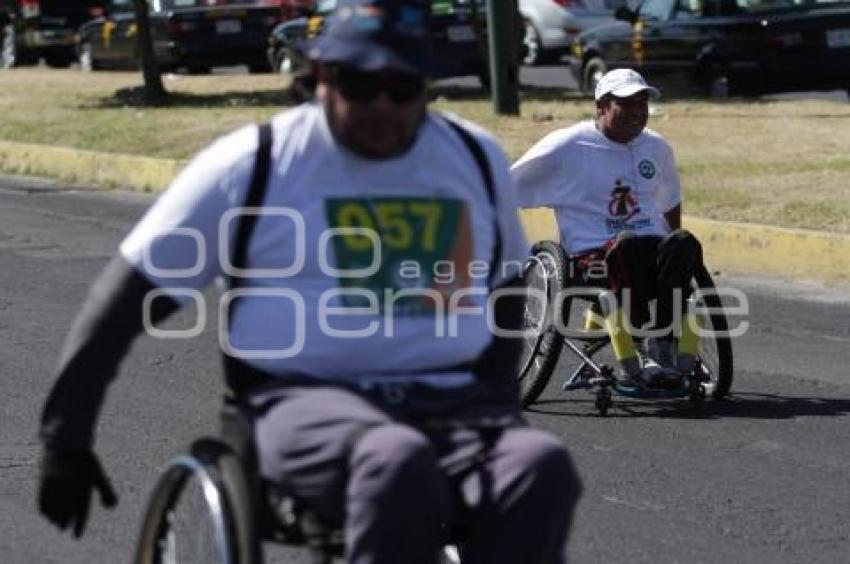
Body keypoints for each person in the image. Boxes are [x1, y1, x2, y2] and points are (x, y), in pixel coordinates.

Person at [36, 1, 581, 563]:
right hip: (301, 404)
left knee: (539, 467)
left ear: (427, 85)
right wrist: (66, 437)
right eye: (359, 84)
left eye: (401, 86)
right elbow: (122, 300)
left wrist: (498, 398)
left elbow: (509, 285)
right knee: (395, 459)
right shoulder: (257, 164)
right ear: (322, 75)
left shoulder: (473, 155)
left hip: (452, 401)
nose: (381, 105)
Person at [511, 68, 704, 389]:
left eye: (641, 103)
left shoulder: (656, 147)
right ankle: (641, 342)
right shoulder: (568, 145)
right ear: (601, 106)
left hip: (650, 248)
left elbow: (670, 198)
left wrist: (674, 251)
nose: (636, 112)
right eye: (625, 104)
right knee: (626, 243)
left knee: (683, 242)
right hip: (594, 255)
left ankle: (663, 342)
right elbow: (509, 186)